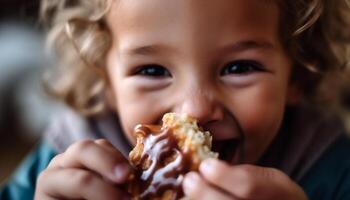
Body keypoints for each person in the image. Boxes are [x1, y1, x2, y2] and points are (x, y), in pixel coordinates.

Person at [1, 0, 350, 199]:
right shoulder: (69, 153)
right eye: (152, 71)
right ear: (104, 79)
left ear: (298, 76)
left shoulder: (328, 166)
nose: (194, 109)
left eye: (239, 67)